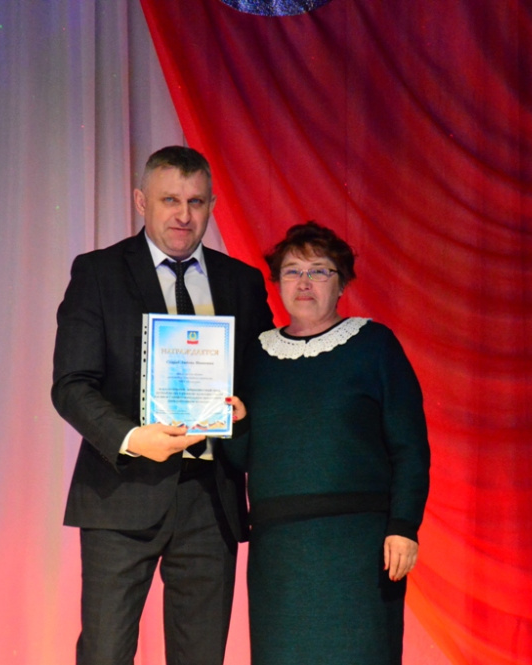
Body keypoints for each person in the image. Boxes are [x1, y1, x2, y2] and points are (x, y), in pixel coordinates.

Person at [51, 146, 274, 665]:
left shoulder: (241, 281)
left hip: (211, 498)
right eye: (170, 200)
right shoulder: (99, 273)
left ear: (212, 205)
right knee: (105, 654)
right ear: (140, 202)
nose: (183, 215)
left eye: (196, 201)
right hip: (121, 489)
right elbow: (71, 385)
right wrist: (133, 438)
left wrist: (247, 408)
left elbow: (264, 379)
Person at [224, 221, 431, 665]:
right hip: (279, 555)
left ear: (342, 283)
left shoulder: (374, 346)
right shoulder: (255, 356)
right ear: (277, 282)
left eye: (319, 271)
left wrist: (403, 526)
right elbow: (240, 459)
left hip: (360, 552)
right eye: (292, 271)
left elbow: (410, 447)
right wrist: (235, 425)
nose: (304, 282)